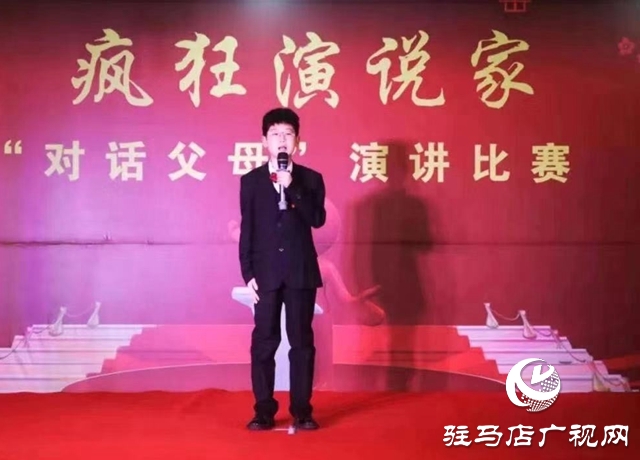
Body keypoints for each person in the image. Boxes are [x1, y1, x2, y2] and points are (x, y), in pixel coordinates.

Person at [238, 107, 326, 431]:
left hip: (301, 273)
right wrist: (247, 273)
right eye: (275, 134)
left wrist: (292, 187)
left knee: (301, 343)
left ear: (297, 141)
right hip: (265, 276)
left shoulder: (311, 179)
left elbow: (317, 219)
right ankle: (263, 410)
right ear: (264, 141)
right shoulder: (250, 182)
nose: (282, 140)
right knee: (264, 342)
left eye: (288, 134)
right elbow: (248, 230)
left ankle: (302, 409)